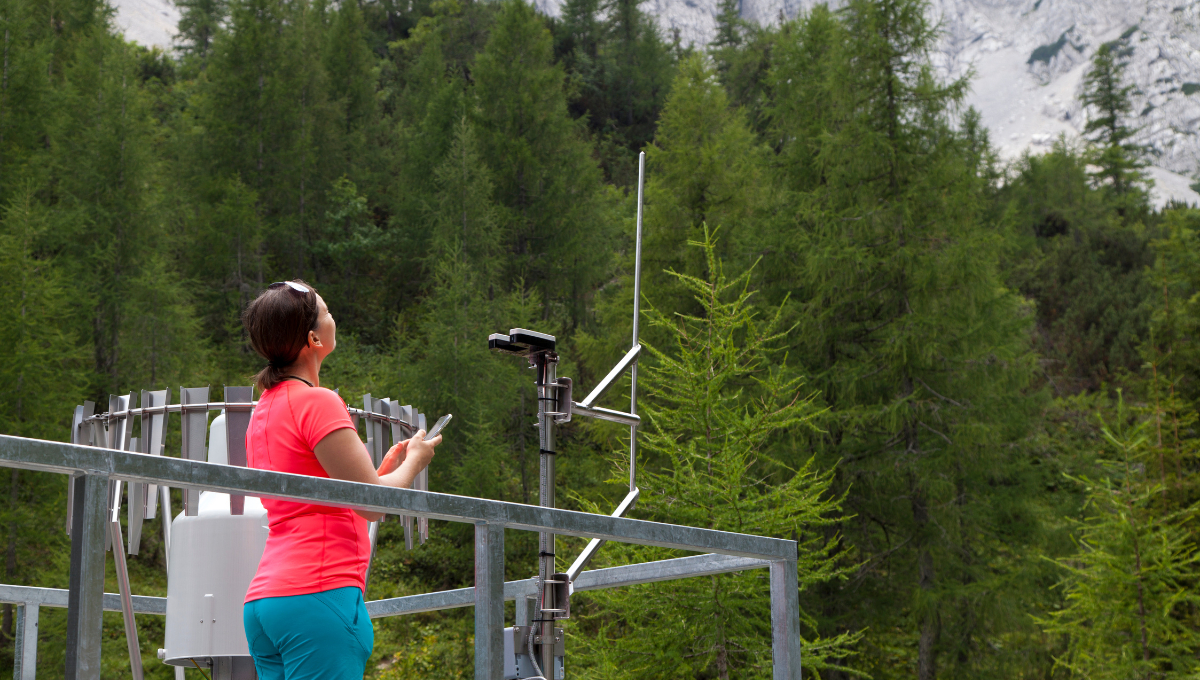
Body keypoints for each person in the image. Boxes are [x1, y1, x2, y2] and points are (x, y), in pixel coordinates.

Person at [239, 279, 439, 680]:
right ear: (313, 338)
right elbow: (372, 506)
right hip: (319, 592)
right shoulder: (319, 400)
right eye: (328, 313)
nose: (335, 319)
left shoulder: (264, 409)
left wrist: (378, 475)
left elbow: (320, 499)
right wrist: (414, 463)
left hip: (266, 601)